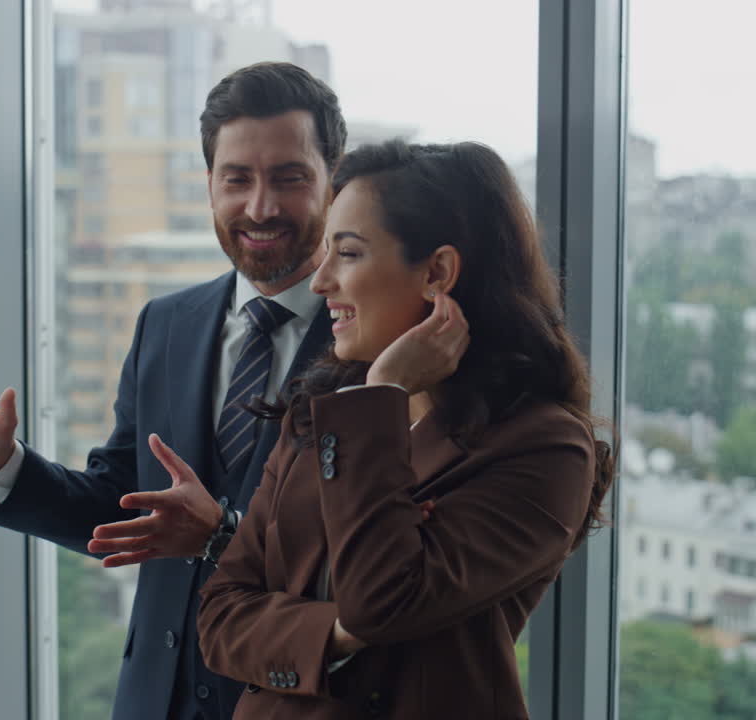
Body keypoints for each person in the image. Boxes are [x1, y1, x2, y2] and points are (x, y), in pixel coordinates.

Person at [0, 62, 346, 720]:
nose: (260, 207)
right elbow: (124, 508)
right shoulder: (167, 324)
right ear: (209, 185)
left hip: (306, 704)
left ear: (334, 181)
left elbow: (375, 562)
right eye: (236, 179)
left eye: (289, 178)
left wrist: (224, 535)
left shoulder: (377, 345)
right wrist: (2, 467)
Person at [188, 140, 618, 719]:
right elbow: (219, 617)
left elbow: (379, 602)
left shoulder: (546, 449)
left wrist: (384, 391)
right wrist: (331, 636)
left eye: (349, 254)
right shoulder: (320, 414)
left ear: (437, 272)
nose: (321, 282)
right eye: (327, 252)